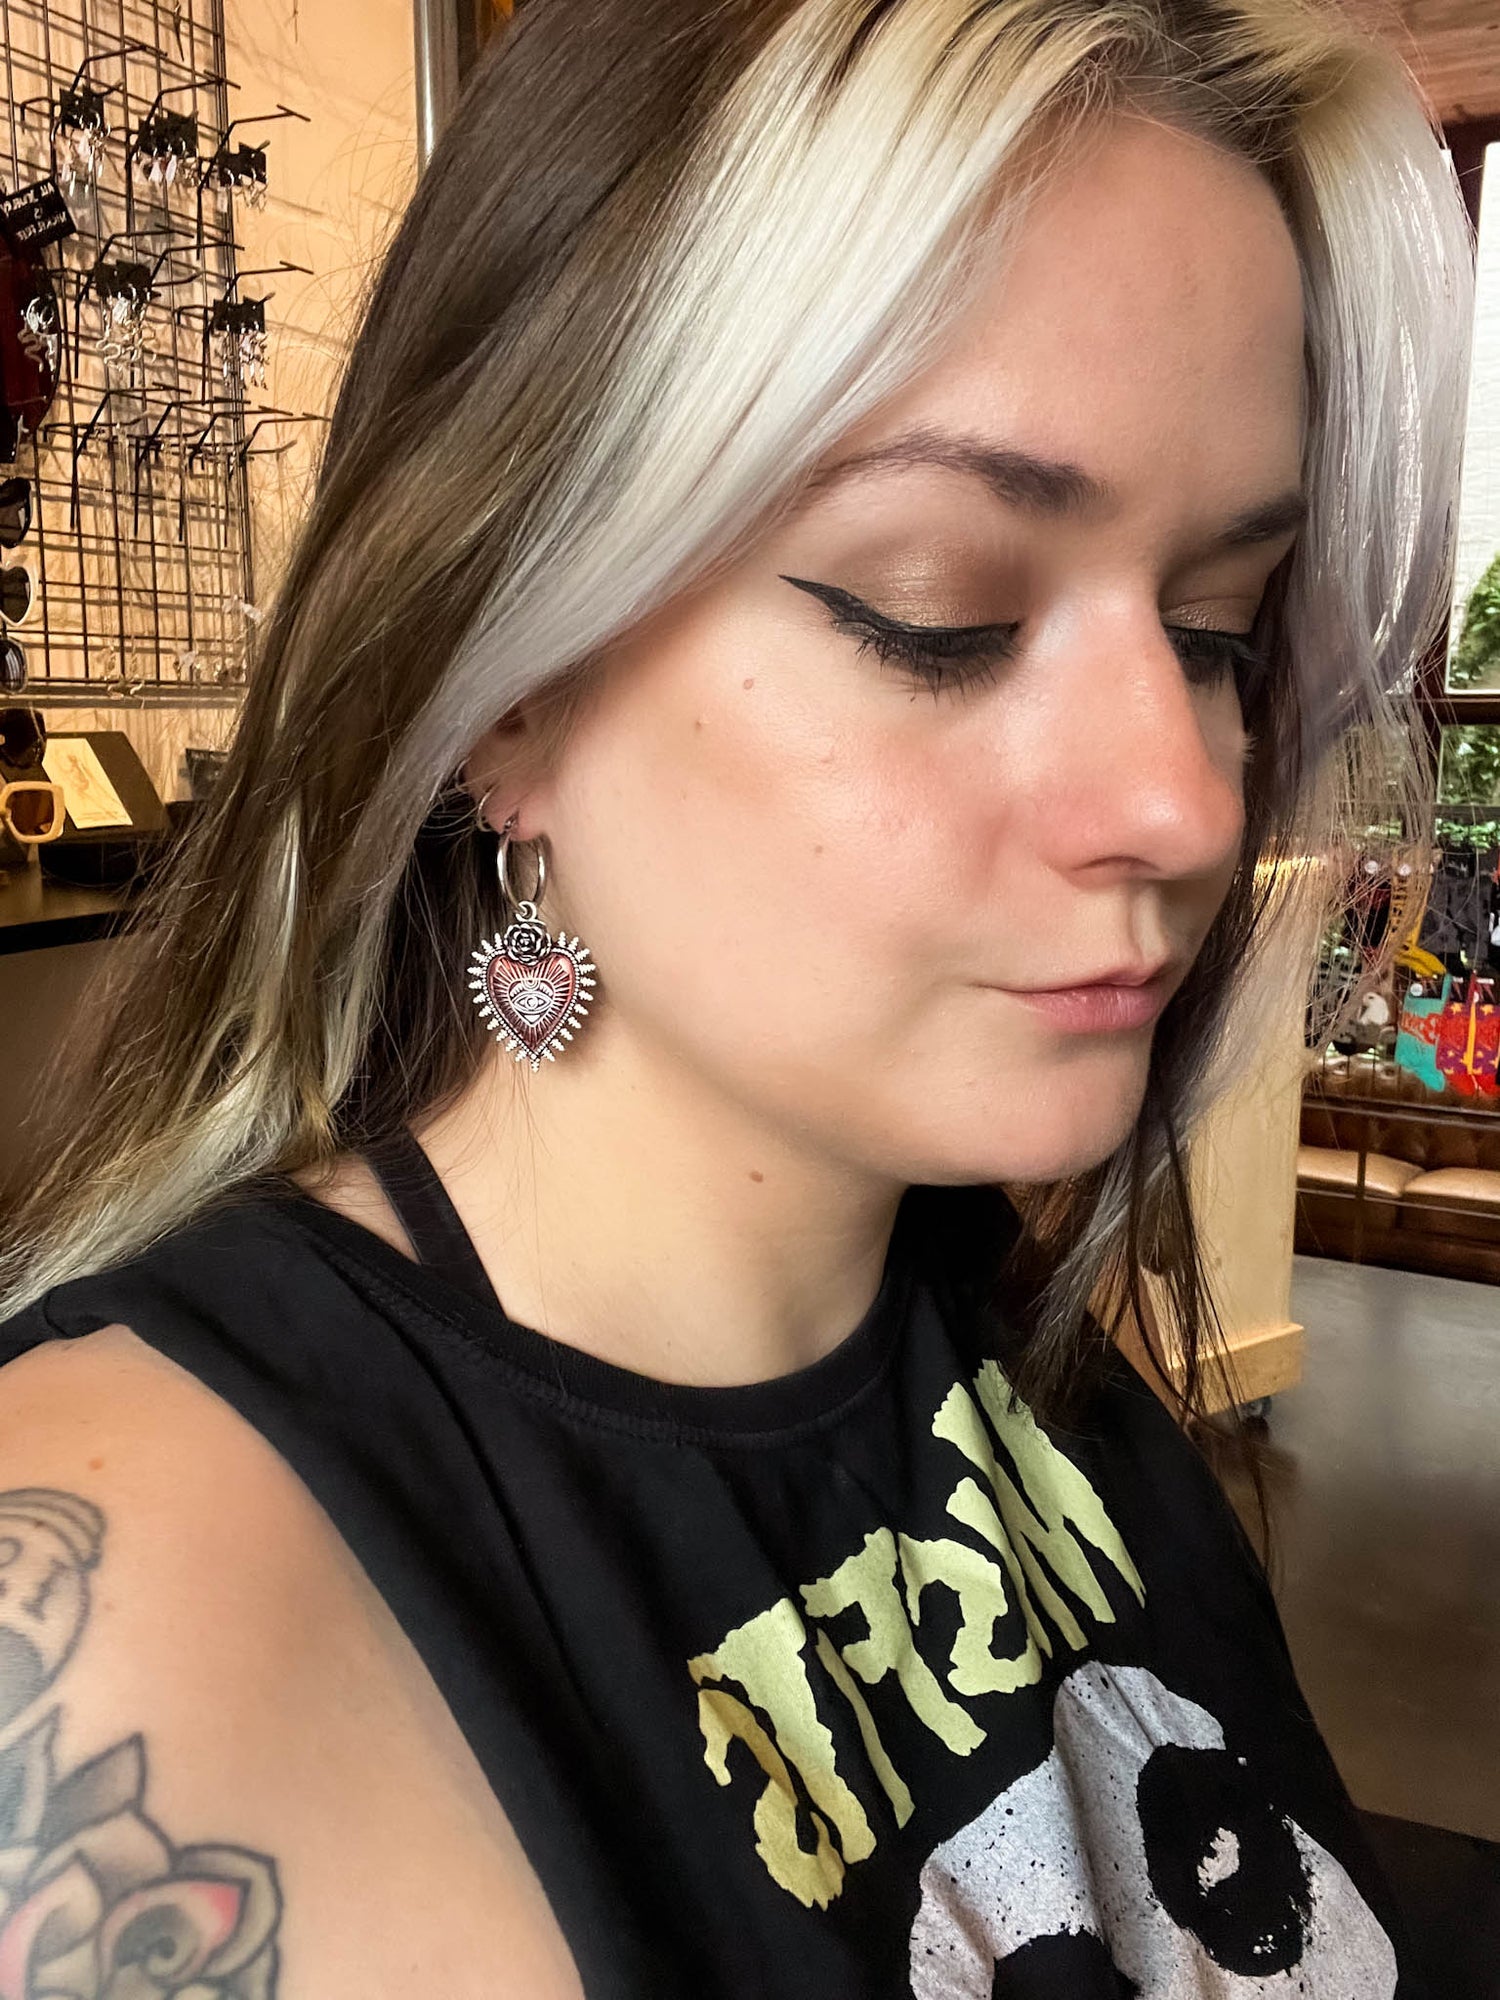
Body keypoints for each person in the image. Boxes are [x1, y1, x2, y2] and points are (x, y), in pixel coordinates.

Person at [0, 0, 1471, 1992]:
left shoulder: (1007, 1327)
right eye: (941, 613)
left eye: (1214, 628)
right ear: (505, 686)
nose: (1185, 798)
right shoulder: (143, 1625)